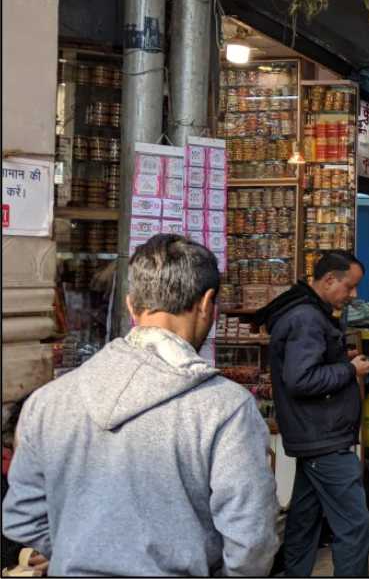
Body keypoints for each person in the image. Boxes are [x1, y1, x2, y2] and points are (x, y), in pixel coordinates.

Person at [1, 234, 279, 577]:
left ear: (131, 306)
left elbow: (22, 518)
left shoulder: (48, 401)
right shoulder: (225, 407)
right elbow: (251, 542)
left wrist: (79, 550)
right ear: (207, 304)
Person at [255, 249, 369, 577]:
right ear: (329, 280)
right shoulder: (306, 318)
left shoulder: (308, 312)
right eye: (350, 286)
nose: (354, 295)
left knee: (304, 520)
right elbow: (301, 379)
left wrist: (341, 361)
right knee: (354, 525)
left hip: (314, 434)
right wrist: (349, 370)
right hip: (323, 437)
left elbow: (305, 367)